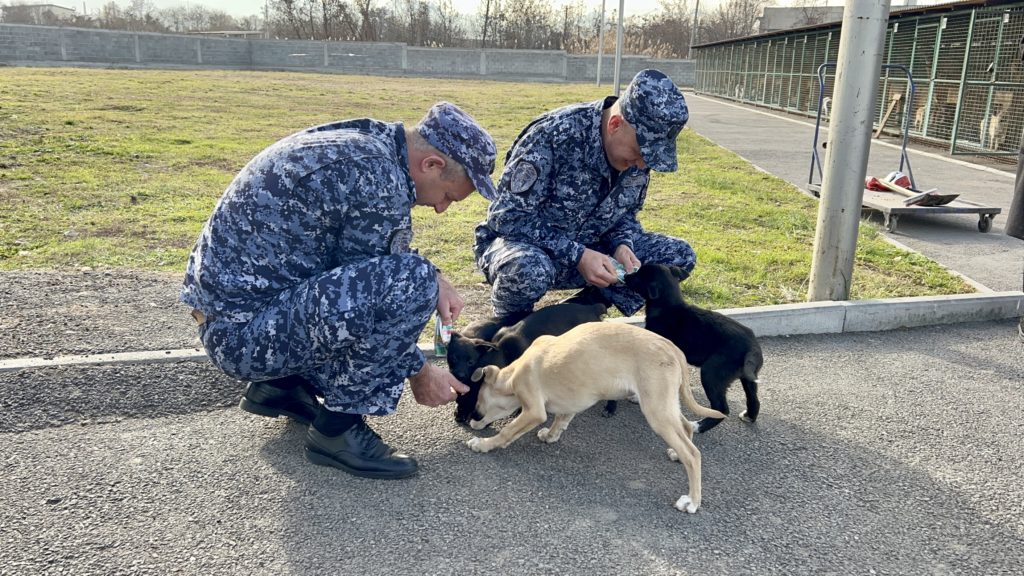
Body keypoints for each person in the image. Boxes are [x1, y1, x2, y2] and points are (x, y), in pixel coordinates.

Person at [180, 102, 498, 480]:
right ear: (431, 165)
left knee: (415, 277)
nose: (442, 208)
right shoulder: (378, 177)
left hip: (236, 318)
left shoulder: (369, 144)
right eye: (449, 196)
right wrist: (420, 372)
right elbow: (378, 295)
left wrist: (438, 275)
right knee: (411, 282)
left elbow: (361, 260)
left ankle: (282, 386)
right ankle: (338, 431)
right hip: (244, 337)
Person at [473, 69, 696, 321]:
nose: (643, 165)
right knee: (528, 270)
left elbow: (624, 214)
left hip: (593, 253)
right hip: (525, 249)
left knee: (677, 258)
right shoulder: (554, 136)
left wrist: (623, 244)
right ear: (614, 124)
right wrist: (577, 254)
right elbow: (507, 218)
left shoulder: (635, 158)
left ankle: (581, 310)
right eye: (640, 152)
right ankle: (508, 327)